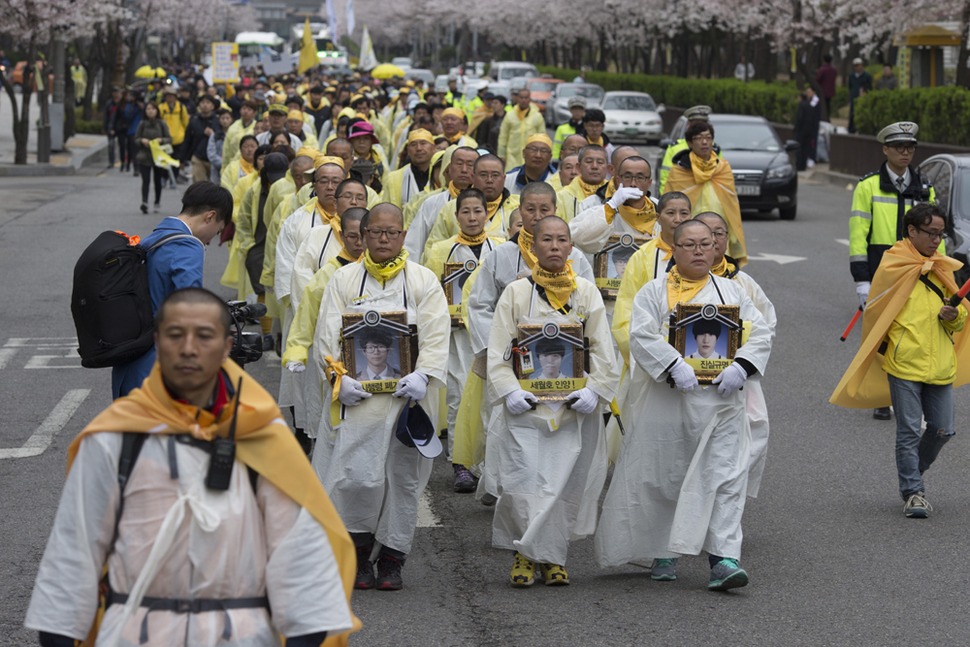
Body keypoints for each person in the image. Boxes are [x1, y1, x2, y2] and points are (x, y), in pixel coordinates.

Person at [26, 287, 358, 646]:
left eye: (204, 336)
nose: (188, 348)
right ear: (157, 342)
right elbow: (74, 556)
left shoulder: (262, 436)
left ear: (227, 345)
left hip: (240, 634)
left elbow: (300, 560)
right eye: (174, 335)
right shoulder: (114, 437)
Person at [595, 219, 772, 590]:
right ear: (673, 249)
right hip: (669, 404)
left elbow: (759, 332)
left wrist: (741, 367)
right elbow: (640, 334)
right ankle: (663, 549)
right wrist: (674, 365)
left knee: (725, 476)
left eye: (705, 244)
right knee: (667, 475)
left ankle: (723, 558)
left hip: (722, 404)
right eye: (689, 244)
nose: (698, 250)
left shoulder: (732, 291)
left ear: (715, 248)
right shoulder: (654, 292)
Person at [315, 203, 450, 591]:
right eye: (376, 232)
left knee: (403, 480)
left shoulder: (423, 281)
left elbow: (437, 335)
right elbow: (326, 338)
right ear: (363, 235)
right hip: (360, 402)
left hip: (408, 402)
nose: (384, 239)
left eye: (392, 233)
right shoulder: (344, 280)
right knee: (358, 477)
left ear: (404, 236)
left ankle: (393, 557)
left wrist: (424, 375)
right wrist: (340, 379)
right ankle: (358, 552)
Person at [487, 215, 618, 587]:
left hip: (572, 409)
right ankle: (525, 553)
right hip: (527, 409)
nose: (556, 246)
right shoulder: (516, 293)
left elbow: (603, 353)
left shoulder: (587, 292)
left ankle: (551, 557)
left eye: (563, 240)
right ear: (533, 245)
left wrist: (593, 391)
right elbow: (498, 351)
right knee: (523, 483)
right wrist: (510, 391)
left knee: (564, 486)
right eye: (547, 240)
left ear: (571, 247)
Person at [459, 183, 596, 503]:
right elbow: (479, 305)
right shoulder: (502, 255)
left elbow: (589, 306)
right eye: (530, 210)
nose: (536, 217)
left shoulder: (575, 256)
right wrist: (498, 348)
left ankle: (550, 488)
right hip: (511, 356)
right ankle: (501, 484)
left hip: (560, 358)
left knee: (555, 424)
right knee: (505, 424)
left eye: (544, 210)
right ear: (519, 211)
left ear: (555, 211)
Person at [832, 203, 969, 518]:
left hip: (940, 365)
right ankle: (913, 492)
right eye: (931, 233)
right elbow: (878, 313)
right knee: (908, 430)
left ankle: (913, 474)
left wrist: (953, 315)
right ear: (912, 230)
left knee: (944, 430)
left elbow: (958, 316)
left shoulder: (943, 266)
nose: (937, 240)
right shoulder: (893, 264)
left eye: (940, 234)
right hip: (904, 363)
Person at [111, 182, 232, 399]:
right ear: (210, 217)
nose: (211, 239)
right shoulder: (188, 245)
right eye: (218, 231)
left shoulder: (157, 236)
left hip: (130, 359)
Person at [849, 121, 935, 420]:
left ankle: (908, 392)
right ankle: (880, 395)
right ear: (885, 149)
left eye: (910, 147)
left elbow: (937, 235)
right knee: (880, 336)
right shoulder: (868, 185)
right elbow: (858, 234)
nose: (905, 152)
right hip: (880, 274)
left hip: (916, 274)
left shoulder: (924, 187)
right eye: (899, 146)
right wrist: (862, 280)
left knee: (914, 334)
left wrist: (939, 271)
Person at [422, 188, 505, 493]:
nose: (472, 217)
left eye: (478, 211)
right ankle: (462, 463)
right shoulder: (441, 250)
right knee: (458, 397)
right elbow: (430, 296)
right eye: (465, 212)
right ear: (456, 216)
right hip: (456, 338)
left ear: (488, 214)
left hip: (491, 337)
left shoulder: (501, 247)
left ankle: (488, 464)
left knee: (490, 400)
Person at [665, 121, 747, 265]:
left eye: (708, 138)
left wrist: (734, 240)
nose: (704, 142)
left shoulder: (723, 168)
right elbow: (669, 208)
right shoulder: (680, 171)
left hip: (719, 236)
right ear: (690, 143)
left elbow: (732, 207)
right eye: (698, 138)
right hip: (690, 238)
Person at [134, 101, 171, 215]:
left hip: (158, 157)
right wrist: (142, 141)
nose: (150, 111)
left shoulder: (162, 124)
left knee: (157, 180)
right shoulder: (142, 124)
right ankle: (144, 202)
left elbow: (169, 139)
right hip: (144, 156)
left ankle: (157, 202)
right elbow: (136, 139)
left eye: (153, 109)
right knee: (145, 180)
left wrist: (161, 140)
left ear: (157, 111)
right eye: (148, 109)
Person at [382, 128, 436, 208]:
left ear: (433, 148)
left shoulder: (441, 175)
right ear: (408, 150)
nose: (419, 148)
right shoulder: (394, 178)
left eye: (423, 143)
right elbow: (386, 209)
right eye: (413, 144)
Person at [556, 145, 608, 223]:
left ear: (608, 167)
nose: (594, 166)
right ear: (579, 167)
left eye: (600, 162)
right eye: (589, 162)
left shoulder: (615, 194)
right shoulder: (560, 197)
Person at [498, 89, 545, 171]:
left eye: (526, 98)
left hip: (531, 156)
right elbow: (503, 136)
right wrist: (501, 155)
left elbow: (542, 137)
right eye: (521, 97)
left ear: (529, 99)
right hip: (512, 156)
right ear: (517, 99)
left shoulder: (537, 116)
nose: (523, 100)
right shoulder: (510, 115)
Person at [182, 94, 220, 182]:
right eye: (202, 102)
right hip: (198, 157)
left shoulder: (218, 120)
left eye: (208, 103)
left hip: (214, 159)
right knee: (199, 186)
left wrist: (213, 135)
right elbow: (187, 139)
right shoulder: (194, 119)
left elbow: (223, 136)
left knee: (214, 187)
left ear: (212, 106)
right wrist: (183, 158)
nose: (205, 105)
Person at [793, 86, 821, 171]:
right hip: (809, 130)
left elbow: (800, 118)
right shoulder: (809, 104)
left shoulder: (805, 104)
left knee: (801, 148)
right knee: (805, 148)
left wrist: (796, 128)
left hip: (803, 130)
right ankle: (804, 164)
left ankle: (800, 164)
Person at [848, 57, 873, 134]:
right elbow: (850, 86)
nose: (857, 67)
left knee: (861, 115)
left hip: (862, 98)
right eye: (855, 66)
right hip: (853, 97)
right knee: (852, 114)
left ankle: (861, 129)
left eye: (858, 65)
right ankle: (851, 129)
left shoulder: (867, 76)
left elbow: (870, 88)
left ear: (862, 65)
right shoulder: (851, 76)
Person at [103, 87, 123, 169]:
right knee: (111, 145)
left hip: (121, 128)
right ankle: (111, 161)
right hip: (111, 127)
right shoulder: (109, 104)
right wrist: (106, 127)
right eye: (115, 92)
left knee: (122, 145)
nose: (116, 94)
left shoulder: (123, 103)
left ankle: (123, 162)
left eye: (118, 92)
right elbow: (106, 116)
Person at [815, 54, 838, 121]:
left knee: (818, 104)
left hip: (822, 91)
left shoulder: (822, 69)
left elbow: (818, 79)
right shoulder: (834, 70)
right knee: (828, 105)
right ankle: (827, 118)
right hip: (830, 91)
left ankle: (820, 118)